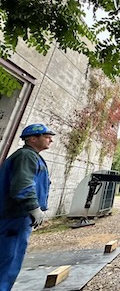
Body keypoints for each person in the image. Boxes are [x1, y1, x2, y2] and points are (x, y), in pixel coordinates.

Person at [0, 123, 55, 291]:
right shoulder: (26, 156)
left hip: (15, 216)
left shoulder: (30, 156)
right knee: (8, 261)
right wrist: (34, 208)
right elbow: (23, 185)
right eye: (46, 136)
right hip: (15, 217)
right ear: (32, 138)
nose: (50, 140)